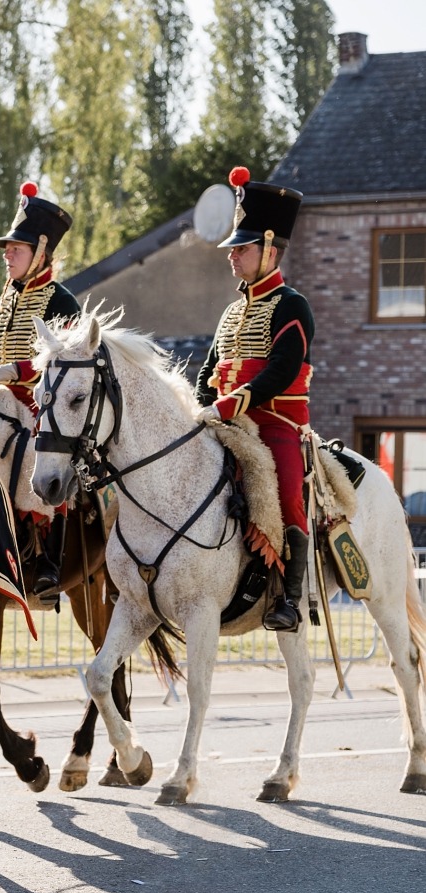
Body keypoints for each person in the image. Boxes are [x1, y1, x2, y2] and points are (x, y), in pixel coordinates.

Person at [194, 167, 312, 632]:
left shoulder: (292, 305)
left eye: (241, 249)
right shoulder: (231, 311)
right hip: (227, 420)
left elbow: (282, 370)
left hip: (275, 422)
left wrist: (230, 404)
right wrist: (202, 403)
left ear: (268, 248)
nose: (233, 257)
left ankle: (290, 597)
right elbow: (210, 368)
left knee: (284, 488)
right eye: (233, 249)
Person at [0, 182, 80, 597]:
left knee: (31, 448)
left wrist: (15, 371)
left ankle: (44, 557)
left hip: (40, 403)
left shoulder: (61, 300)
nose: (7, 255)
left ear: (41, 252)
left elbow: (66, 366)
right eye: (7, 249)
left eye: (16, 249)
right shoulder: (5, 298)